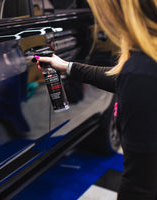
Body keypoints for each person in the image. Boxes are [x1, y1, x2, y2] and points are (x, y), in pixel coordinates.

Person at [35, 0, 157, 199]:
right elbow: (120, 78)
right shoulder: (147, 62)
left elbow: (141, 186)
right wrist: (67, 67)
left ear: (117, 10)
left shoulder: (141, 74)